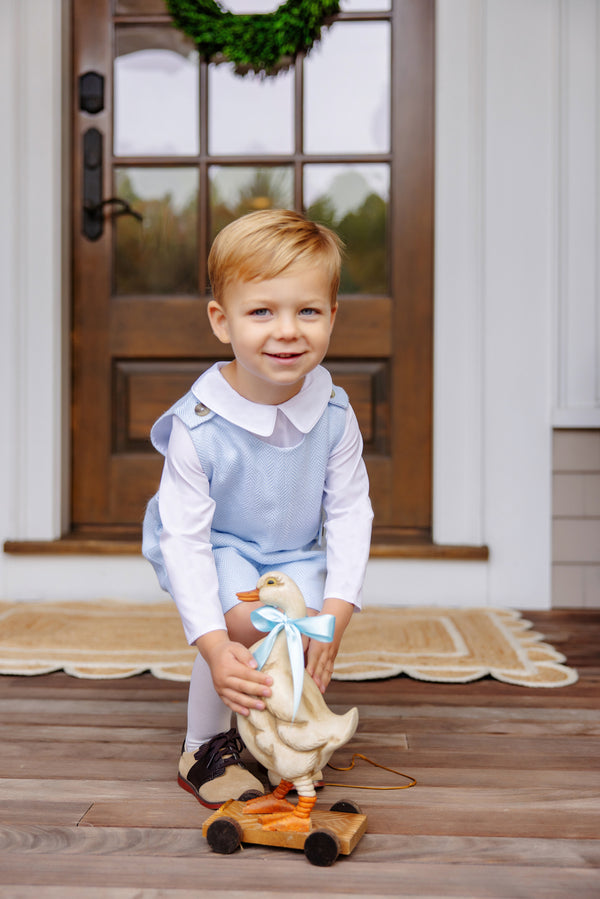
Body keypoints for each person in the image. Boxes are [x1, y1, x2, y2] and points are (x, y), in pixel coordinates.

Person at [143, 209, 373, 809]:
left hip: (293, 552)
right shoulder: (200, 427)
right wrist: (216, 649)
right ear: (222, 321)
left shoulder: (334, 416)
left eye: (308, 311)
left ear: (332, 317)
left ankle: (276, 739)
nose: (288, 331)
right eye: (262, 311)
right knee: (248, 628)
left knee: (305, 623)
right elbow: (185, 540)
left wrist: (337, 619)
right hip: (220, 547)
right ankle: (203, 747)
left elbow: (350, 514)